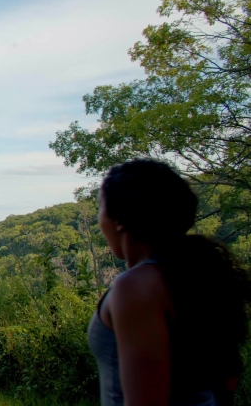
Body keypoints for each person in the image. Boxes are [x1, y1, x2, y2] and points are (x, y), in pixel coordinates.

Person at [88, 159, 251, 406]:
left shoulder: (136, 287)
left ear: (119, 219)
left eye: (99, 207)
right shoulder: (195, 274)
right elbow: (226, 381)